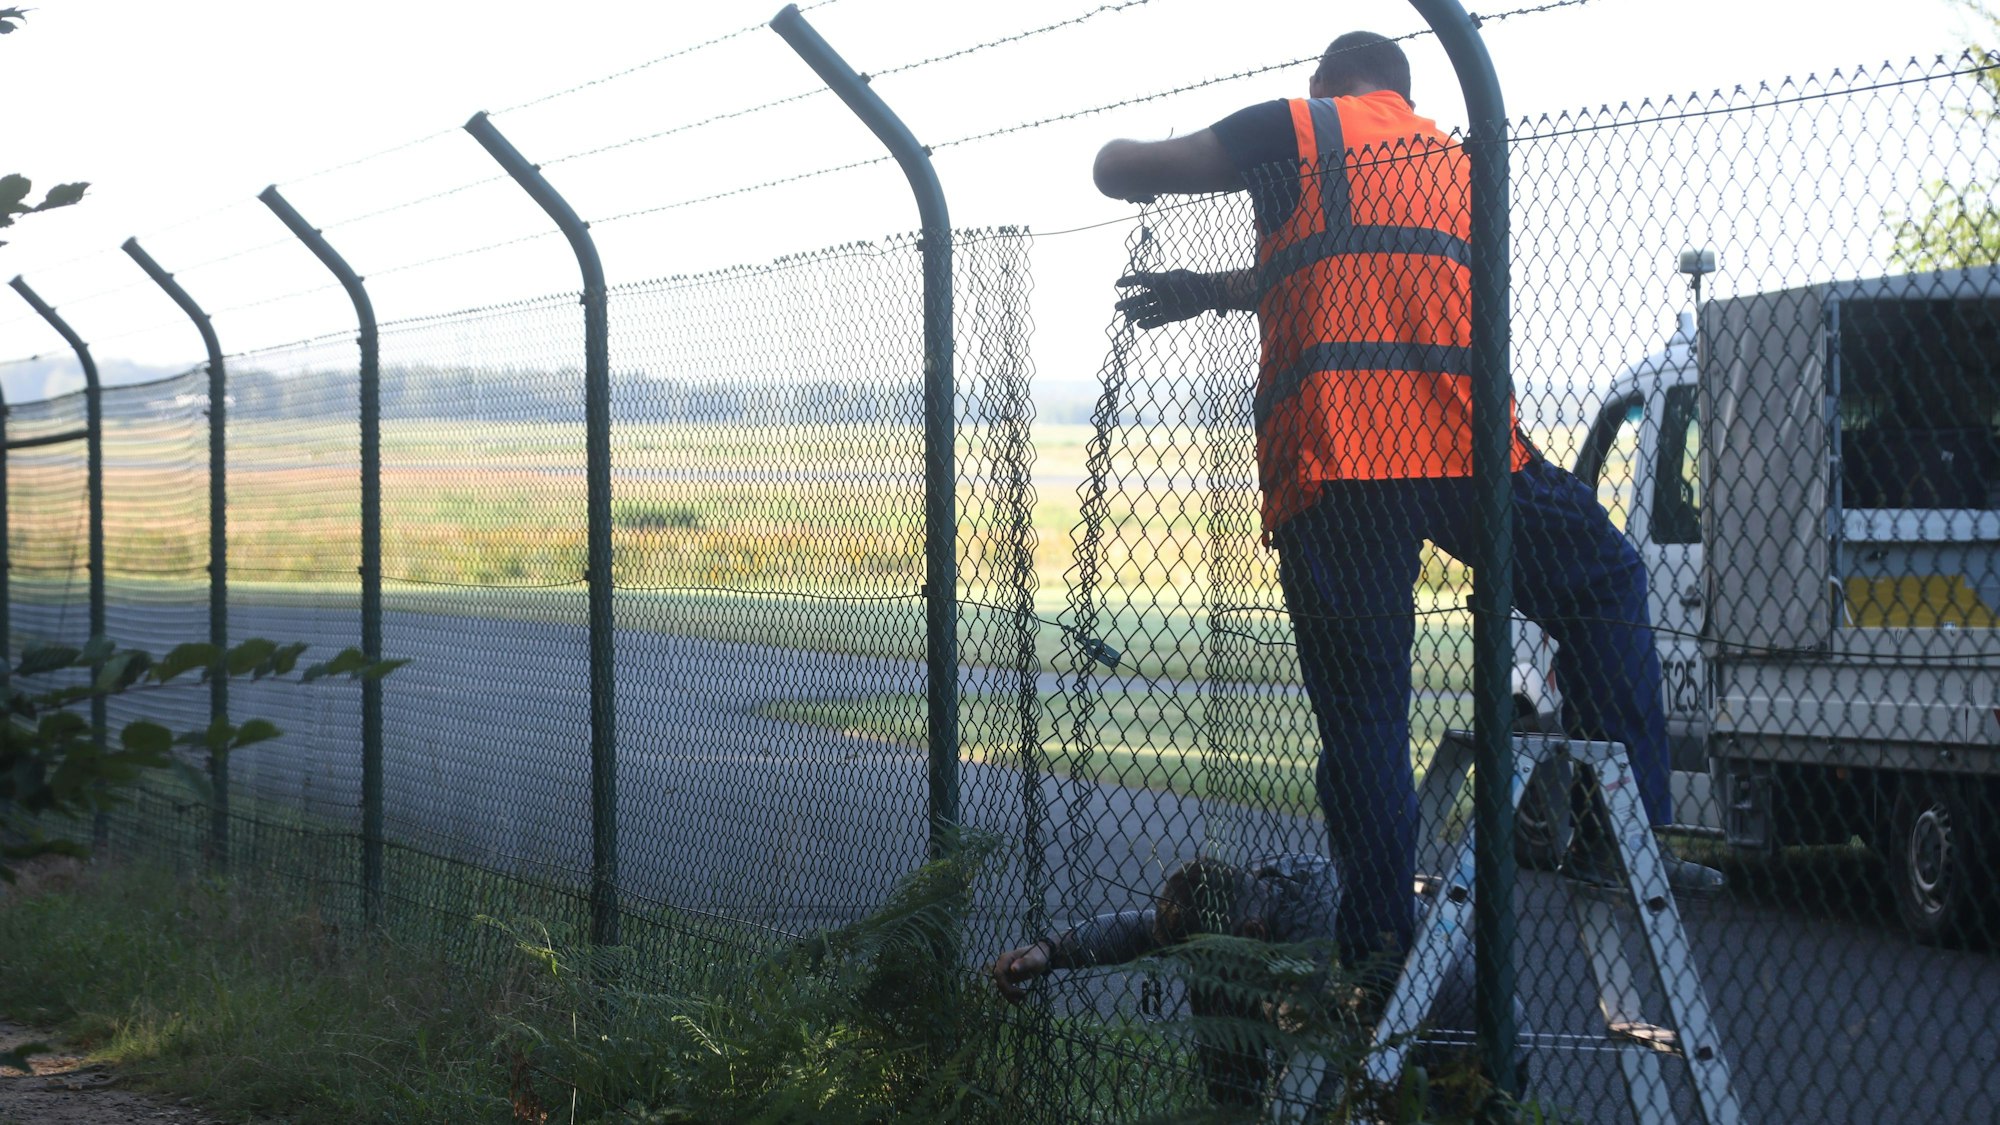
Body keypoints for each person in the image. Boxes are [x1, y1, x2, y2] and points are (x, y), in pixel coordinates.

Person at [1089, 31, 1723, 963]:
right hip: (1470, 455)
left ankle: (1380, 945)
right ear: (1406, 91)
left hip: (1341, 464)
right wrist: (1211, 290)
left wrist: (1145, 169)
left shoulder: (1297, 129)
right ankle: (1622, 837)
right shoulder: (1461, 165)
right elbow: (1348, 265)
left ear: (1325, 81)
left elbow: (1118, 169)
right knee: (1605, 582)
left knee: (1368, 723)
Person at [991, 853, 1492, 1112]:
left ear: (1251, 934)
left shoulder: (1313, 953)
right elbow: (1146, 931)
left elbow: (1314, 1093)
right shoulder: (1254, 897)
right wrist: (1050, 951)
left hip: (1462, 1067)